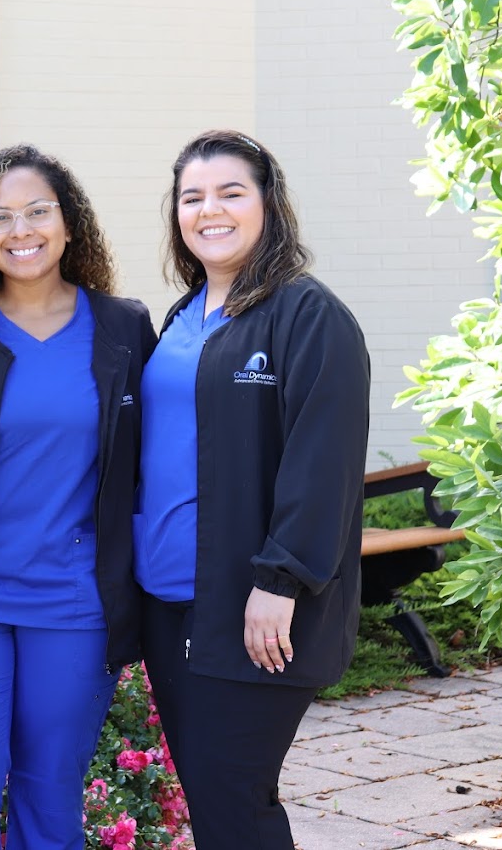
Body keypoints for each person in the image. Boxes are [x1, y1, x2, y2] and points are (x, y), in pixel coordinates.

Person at [0, 144, 155, 849]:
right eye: (0, 216)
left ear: (69, 223)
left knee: (50, 798)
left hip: (74, 604)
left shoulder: (122, 328)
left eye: (38, 211)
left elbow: (159, 457)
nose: (21, 230)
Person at [135, 129, 370, 848]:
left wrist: (281, 579)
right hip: (171, 607)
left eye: (230, 192)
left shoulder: (308, 315)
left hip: (253, 609)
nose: (210, 210)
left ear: (269, 203)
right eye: (192, 197)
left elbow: (323, 462)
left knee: (235, 799)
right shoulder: (184, 315)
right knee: (214, 801)